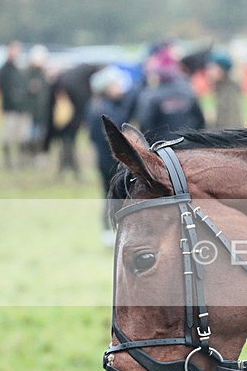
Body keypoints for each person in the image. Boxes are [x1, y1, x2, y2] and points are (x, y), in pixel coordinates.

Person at [85, 65, 138, 245]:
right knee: (113, 195)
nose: (120, 88)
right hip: (108, 161)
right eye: (116, 84)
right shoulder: (102, 110)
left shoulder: (100, 105)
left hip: (107, 160)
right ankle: (110, 231)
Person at [136, 46, 205, 144]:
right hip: (187, 145)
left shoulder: (150, 95)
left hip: (162, 148)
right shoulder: (188, 90)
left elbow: (145, 124)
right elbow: (200, 120)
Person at [0, 40, 30, 168]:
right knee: (7, 137)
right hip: (10, 109)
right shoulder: (4, 70)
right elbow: (5, 89)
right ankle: (8, 163)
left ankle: (21, 162)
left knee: (22, 137)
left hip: (22, 108)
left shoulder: (20, 68)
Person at [24, 44, 52, 166]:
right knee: (30, 136)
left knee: (40, 136)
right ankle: (29, 157)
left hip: (42, 112)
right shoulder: (27, 74)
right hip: (31, 112)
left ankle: (37, 156)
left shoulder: (43, 74)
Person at [205, 50, 243, 129]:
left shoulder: (230, 90)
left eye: (212, 68)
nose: (209, 72)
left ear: (222, 70)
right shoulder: (219, 87)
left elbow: (231, 124)